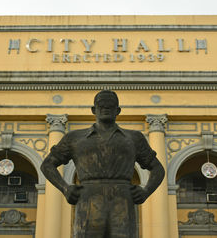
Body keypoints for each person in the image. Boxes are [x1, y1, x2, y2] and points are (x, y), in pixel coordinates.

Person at [41, 90, 165, 238]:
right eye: (101, 105)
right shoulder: (75, 138)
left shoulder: (134, 138)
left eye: (111, 105)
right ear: (93, 110)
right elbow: (47, 164)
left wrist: (146, 191)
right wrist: (65, 188)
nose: (106, 108)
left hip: (122, 201)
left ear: (118, 110)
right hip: (88, 200)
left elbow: (157, 168)